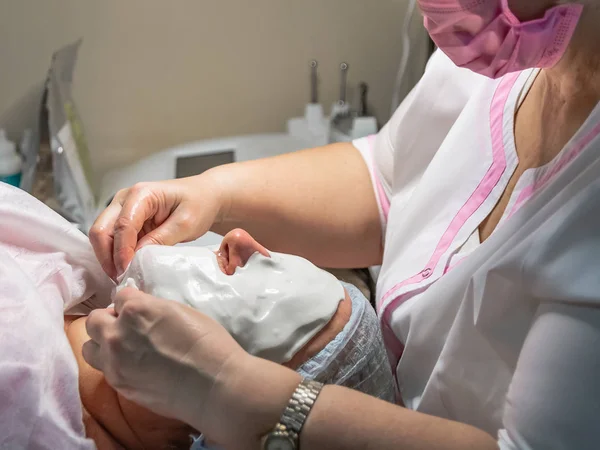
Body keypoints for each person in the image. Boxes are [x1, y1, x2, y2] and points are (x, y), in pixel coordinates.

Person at [86, 0, 600, 449]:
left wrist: (227, 389)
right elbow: (393, 177)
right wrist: (213, 194)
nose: (237, 241)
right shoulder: (501, 56)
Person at [0, 182, 393, 449]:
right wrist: (213, 192)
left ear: (205, 421)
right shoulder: (72, 270)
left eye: (265, 290)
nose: (238, 238)